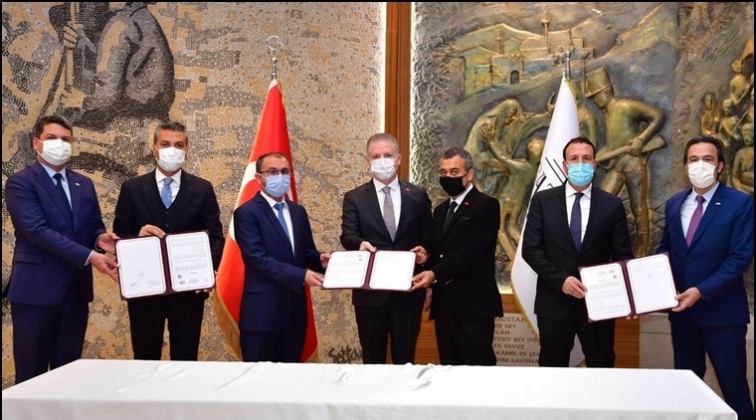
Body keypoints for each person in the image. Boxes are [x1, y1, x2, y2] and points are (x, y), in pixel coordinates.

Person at [5, 115, 119, 384]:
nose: (60, 144)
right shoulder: (21, 182)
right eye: (52, 138)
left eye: (66, 140)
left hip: (75, 293)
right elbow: (37, 231)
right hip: (35, 294)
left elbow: (93, 226)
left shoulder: (84, 184)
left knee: (67, 377)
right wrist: (90, 256)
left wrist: (100, 240)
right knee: (31, 378)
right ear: (36, 143)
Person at [657, 136, 754, 420]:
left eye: (708, 159)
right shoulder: (674, 204)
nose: (700, 165)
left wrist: (701, 290)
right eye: (694, 159)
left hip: (723, 316)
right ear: (686, 165)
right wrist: (652, 278)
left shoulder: (740, 204)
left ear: (720, 165)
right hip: (683, 318)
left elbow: (739, 258)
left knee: (735, 392)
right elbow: (666, 249)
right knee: (686, 392)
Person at [113, 121, 224, 361]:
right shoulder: (132, 188)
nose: (172, 150)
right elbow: (118, 236)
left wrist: (210, 271)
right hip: (144, 291)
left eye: (178, 145)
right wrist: (137, 237)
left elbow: (215, 236)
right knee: (145, 358)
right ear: (154, 148)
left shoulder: (202, 189)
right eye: (165, 144)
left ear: (187, 150)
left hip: (189, 292)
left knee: (185, 360)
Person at [521, 136, 633, 368]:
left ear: (594, 164)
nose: (580, 164)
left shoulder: (612, 205)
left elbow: (622, 256)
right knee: (552, 371)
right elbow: (531, 249)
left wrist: (630, 298)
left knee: (601, 368)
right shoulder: (542, 201)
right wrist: (561, 280)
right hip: (554, 304)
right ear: (564, 165)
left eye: (586, 159)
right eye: (574, 159)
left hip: (599, 305)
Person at [340, 132, 432, 364]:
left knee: (405, 360)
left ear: (398, 159)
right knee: (372, 361)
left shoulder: (418, 195)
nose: (382, 161)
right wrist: (359, 244)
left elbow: (429, 237)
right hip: (370, 296)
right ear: (368, 161)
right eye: (376, 156)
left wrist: (425, 254)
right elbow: (347, 235)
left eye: (387, 155)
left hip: (408, 294)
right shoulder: (354, 198)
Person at [412, 147, 503, 365]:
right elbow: (439, 250)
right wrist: (425, 257)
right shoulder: (441, 210)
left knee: (478, 368)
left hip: (473, 305)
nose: (448, 177)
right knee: (448, 368)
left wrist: (434, 274)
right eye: (443, 172)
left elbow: (471, 252)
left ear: (469, 174)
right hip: (444, 305)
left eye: (454, 172)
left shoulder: (486, 206)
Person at [234, 152, 329, 362]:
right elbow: (258, 259)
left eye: (285, 171)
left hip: (294, 315)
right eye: (272, 172)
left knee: (290, 378)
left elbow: (304, 252)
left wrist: (320, 259)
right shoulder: (246, 213)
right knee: (258, 378)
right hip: (262, 315)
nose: (280, 177)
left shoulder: (298, 212)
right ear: (259, 178)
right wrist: (302, 276)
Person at [586, 67, 665, 257]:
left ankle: (641, 254)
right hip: (616, 165)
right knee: (600, 206)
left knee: (639, 209)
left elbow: (657, 116)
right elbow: (614, 144)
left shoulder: (625, 106)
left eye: (595, 96)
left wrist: (641, 140)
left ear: (606, 92)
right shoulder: (607, 113)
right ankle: (601, 252)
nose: (594, 101)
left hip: (633, 165)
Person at [731, 122, 754, 196]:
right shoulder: (740, 153)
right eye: (744, 135)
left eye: (749, 134)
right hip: (744, 188)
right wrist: (739, 188)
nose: (747, 138)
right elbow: (734, 177)